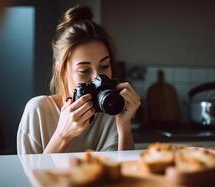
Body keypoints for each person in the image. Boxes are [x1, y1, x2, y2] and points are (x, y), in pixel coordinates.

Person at [17, 5, 141, 154]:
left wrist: (124, 127)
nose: (98, 78)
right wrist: (62, 135)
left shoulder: (111, 111)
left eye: (104, 66)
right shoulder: (38, 111)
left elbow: (121, 175)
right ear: (61, 69)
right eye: (84, 70)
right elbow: (28, 176)